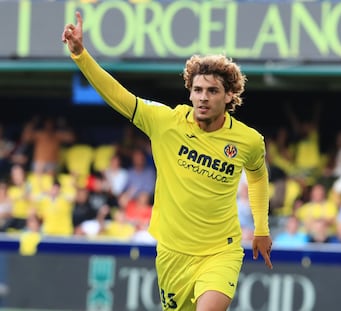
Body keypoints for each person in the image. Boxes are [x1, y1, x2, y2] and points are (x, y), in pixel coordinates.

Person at [62, 12, 273, 311]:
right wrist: (81, 55)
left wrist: (262, 228)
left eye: (212, 91)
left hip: (220, 251)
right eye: (197, 90)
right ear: (189, 92)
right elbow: (118, 96)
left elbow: (257, 176)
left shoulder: (248, 140)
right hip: (172, 252)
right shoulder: (165, 122)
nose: (203, 97)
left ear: (229, 97)